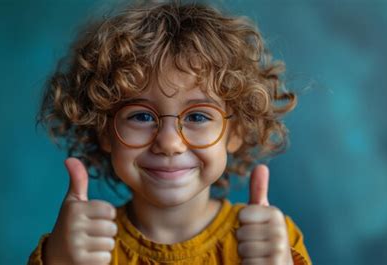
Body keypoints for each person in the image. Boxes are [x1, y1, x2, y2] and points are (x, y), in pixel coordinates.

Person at [28, 1, 312, 264]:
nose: (169, 143)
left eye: (198, 116)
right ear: (104, 131)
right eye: (141, 116)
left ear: (235, 131)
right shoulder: (78, 246)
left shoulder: (273, 240)